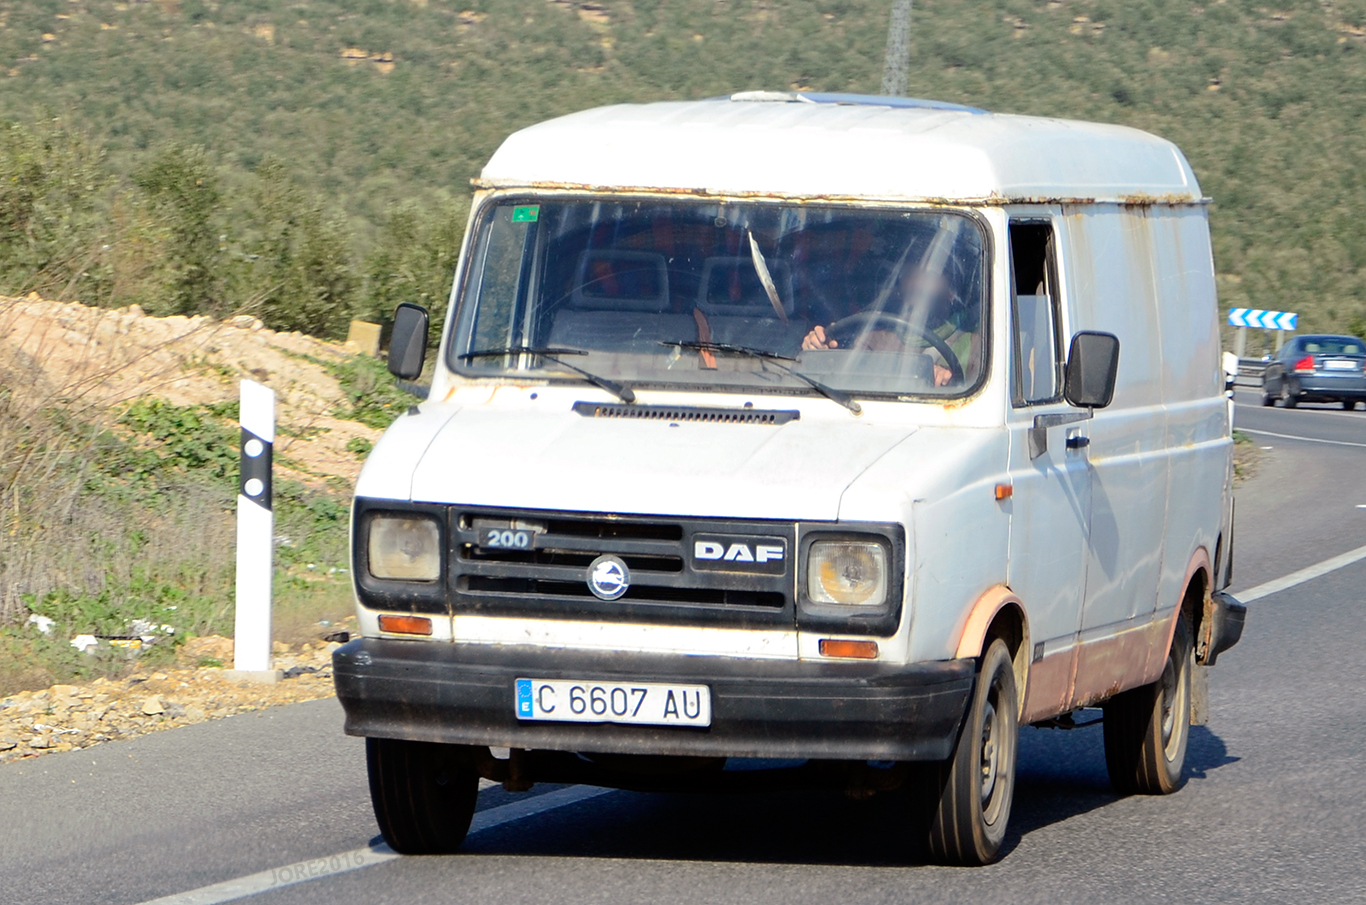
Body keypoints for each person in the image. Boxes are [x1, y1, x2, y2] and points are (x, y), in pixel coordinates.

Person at [800, 264, 980, 387]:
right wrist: (819, 350)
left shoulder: (973, 344)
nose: (917, 284)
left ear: (951, 292)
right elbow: (841, 378)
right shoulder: (874, 335)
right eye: (910, 274)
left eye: (930, 275)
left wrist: (947, 382)